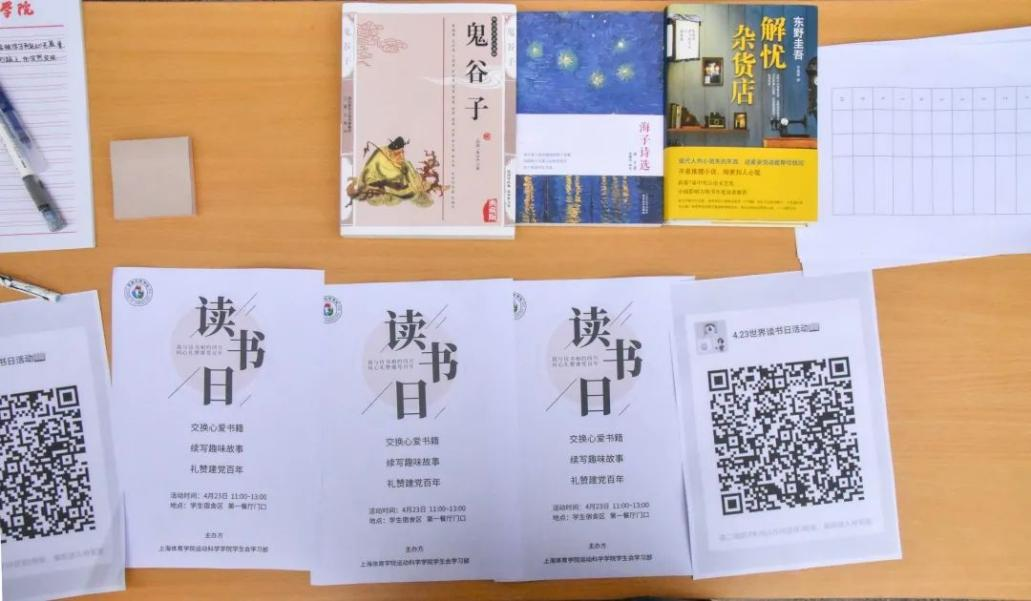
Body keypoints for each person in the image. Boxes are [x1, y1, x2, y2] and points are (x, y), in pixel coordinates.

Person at [347, 137, 433, 207]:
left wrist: (415, 181)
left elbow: (408, 171)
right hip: (381, 186)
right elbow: (370, 178)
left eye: (402, 152)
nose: (401, 156)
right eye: (398, 153)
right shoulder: (380, 159)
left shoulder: (404, 163)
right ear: (390, 152)